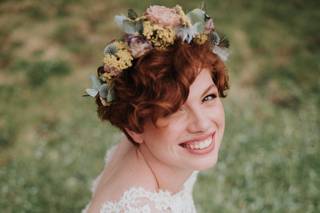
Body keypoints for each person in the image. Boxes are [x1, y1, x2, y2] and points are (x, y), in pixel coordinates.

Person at [82, 4, 230, 213]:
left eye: (208, 97)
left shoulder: (152, 152)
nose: (203, 124)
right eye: (174, 109)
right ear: (134, 127)